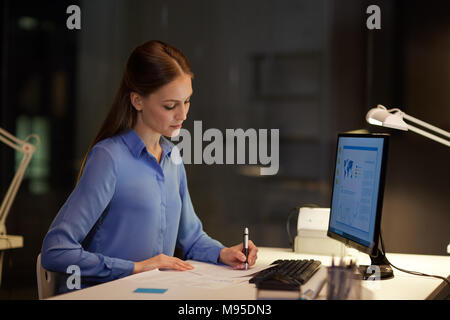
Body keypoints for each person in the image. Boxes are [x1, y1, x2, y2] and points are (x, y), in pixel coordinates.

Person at [41, 40, 258, 294]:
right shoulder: (108, 158)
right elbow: (56, 250)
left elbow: (191, 237)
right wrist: (135, 267)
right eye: (170, 106)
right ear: (137, 101)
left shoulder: (172, 157)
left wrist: (224, 253)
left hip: (152, 293)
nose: (183, 115)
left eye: (187, 101)